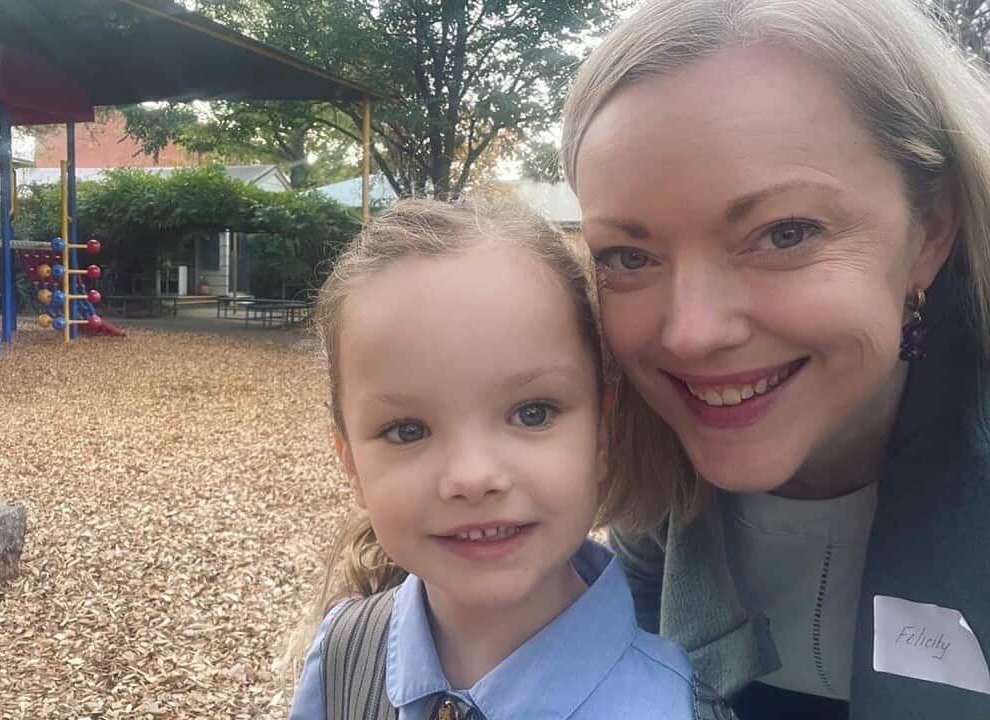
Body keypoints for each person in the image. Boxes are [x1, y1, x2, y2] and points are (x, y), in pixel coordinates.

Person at [560, 1, 990, 718]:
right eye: (629, 257)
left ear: (930, 231)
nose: (692, 334)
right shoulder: (645, 487)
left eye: (785, 234)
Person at [287, 200, 721, 719]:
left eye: (532, 413)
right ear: (352, 465)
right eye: (408, 430)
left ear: (602, 434)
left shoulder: (677, 709)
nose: (473, 477)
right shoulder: (342, 658)